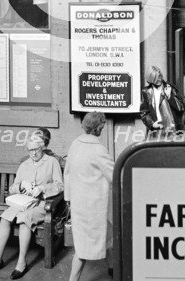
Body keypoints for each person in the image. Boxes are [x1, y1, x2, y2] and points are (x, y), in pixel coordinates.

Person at [0, 136, 63, 279]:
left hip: (41, 204)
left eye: (36, 149)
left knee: (23, 219)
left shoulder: (52, 162)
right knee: (4, 218)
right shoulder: (24, 165)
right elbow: (12, 188)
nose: (33, 153)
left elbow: (59, 185)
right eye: (30, 150)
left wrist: (42, 188)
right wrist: (21, 186)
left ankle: (21, 263)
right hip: (23, 201)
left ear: (42, 147)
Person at [65, 112, 114, 281]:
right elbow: (113, 175)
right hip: (94, 208)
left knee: (108, 236)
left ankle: (113, 268)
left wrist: (68, 199)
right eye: (102, 126)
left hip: (79, 205)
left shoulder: (75, 144)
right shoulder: (98, 149)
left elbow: (68, 173)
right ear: (99, 128)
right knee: (84, 250)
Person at [140, 66, 185, 139]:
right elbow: (144, 112)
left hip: (173, 129)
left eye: (160, 76)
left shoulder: (170, 88)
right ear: (151, 79)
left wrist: (170, 96)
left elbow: (181, 108)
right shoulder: (146, 92)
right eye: (156, 78)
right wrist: (151, 124)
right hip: (157, 130)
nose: (159, 79)